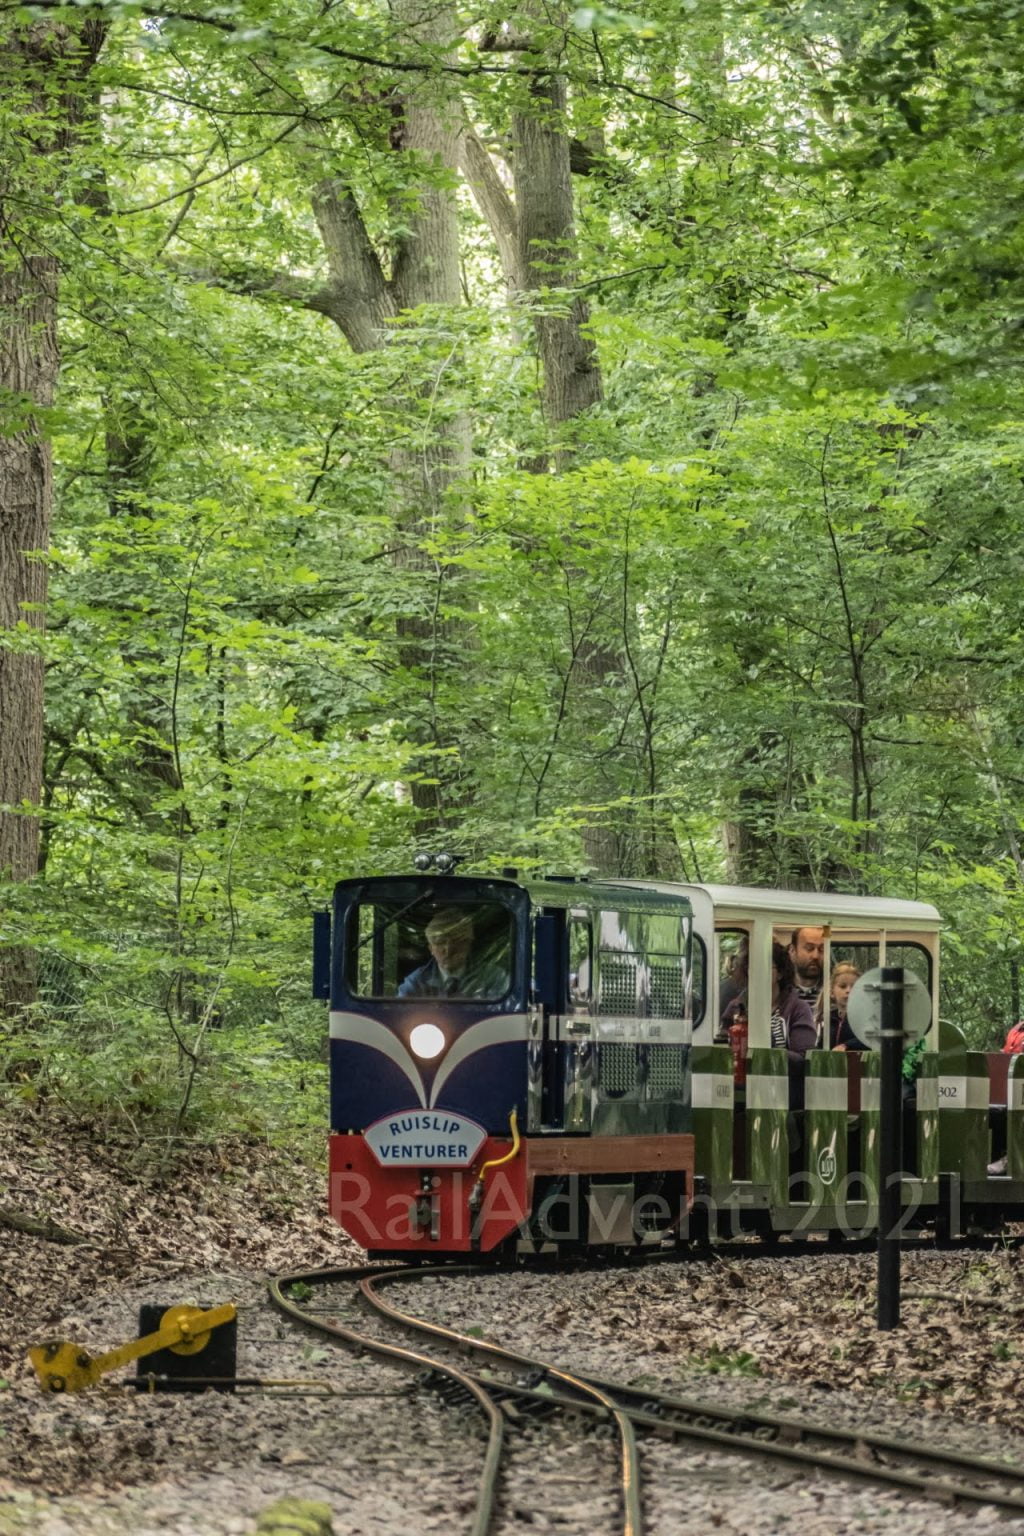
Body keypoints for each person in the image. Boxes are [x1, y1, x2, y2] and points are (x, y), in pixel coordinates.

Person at [721, 942, 816, 1067]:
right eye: (752, 967)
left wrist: (767, 1050)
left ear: (780, 973)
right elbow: (722, 1047)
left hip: (784, 1082)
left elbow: (803, 1058)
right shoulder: (735, 1007)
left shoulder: (798, 1009)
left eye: (765, 966)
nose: (758, 972)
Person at [398, 908, 509, 999]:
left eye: (457, 941)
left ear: (469, 944)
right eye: (440, 942)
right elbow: (399, 1013)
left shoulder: (493, 977)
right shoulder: (417, 981)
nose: (449, 949)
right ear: (431, 948)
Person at [816, 962, 866, 1051]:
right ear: (831, 992)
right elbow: (821, 1045)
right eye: (843, 986)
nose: (849, 990)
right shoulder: (828, 1019)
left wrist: (846, 1045)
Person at [788, 925, 825, 1006]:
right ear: (792, 951)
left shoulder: (832, 993)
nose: (815, 956)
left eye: (821, 949)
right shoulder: (778, 991)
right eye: (809, 948)